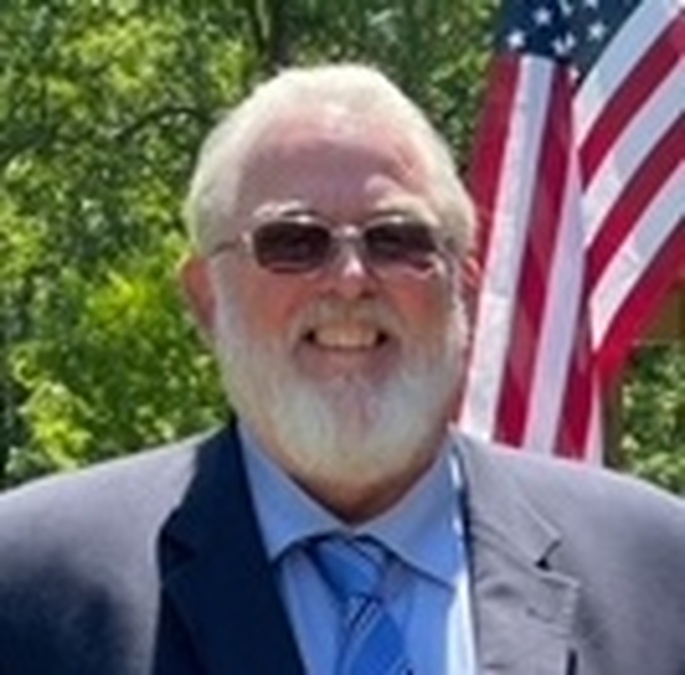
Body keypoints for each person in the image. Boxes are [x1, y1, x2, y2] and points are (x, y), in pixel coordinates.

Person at [0, 64, 683, 675]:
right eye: (293, 242)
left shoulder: (657, 569)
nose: (351, 278)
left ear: (463, 288)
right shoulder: (28, 584)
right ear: (207, 297)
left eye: (398, 239)